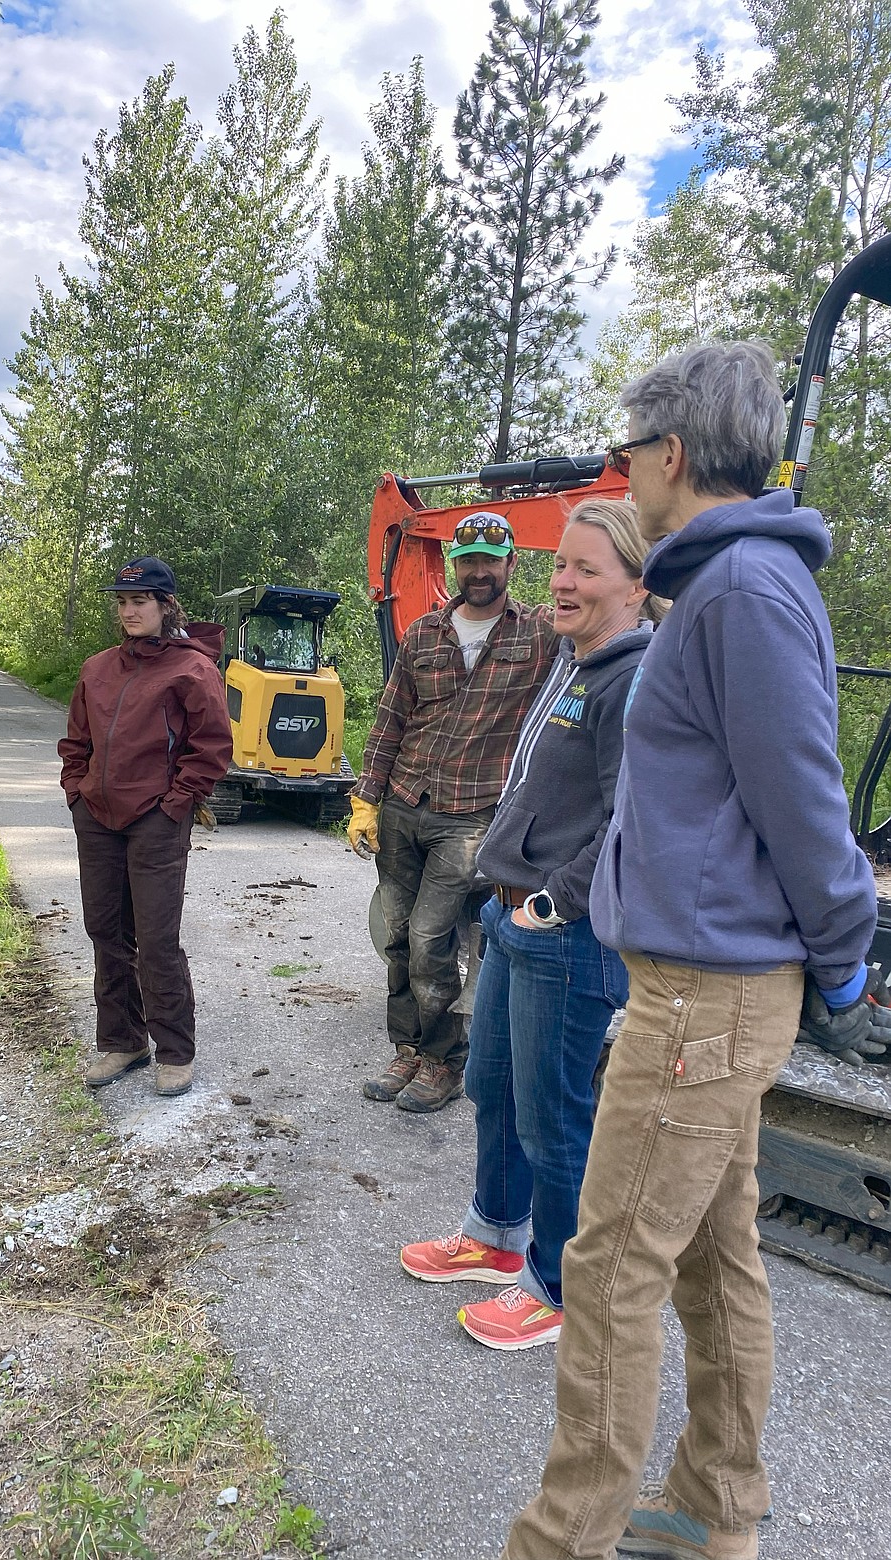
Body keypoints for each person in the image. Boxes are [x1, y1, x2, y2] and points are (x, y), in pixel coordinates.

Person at [502, 341, 891, 1560]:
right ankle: (717, 1512)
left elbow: (807, 805)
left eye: (629, 452)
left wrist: (846, 962)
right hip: (698, 994)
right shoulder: (725, 588)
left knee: (610, 1267)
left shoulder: (742, 595)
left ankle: (562, 1539)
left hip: (706, 1004)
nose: (624, 469)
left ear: (671, 455)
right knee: (716, 1265)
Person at [400, 499, 661, 1350]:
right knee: (493, 1090)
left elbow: (635, 816)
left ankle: (559, 1287)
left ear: (637, 581)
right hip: (512, 914)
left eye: (587, 569)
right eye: (560, 566)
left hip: (564, 933)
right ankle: (494, 1237)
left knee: (554, 1117)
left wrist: (558, 901)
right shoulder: (575, 661)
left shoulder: (632, 677)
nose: (564, 583)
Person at [348, 515, 558, 1113]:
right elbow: (391, 720)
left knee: (430, 938)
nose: (479, 571)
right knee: (393, 934)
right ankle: (407, 1049)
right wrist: (367, 797)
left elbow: (617, 622)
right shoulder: (424, 634)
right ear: (453, 566)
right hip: (404, 803)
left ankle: (445, 1060)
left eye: (491, 559)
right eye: (468, 560)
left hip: (472, 814)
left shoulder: (539, 633)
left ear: (512, 564)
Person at [58, 556, 233, 1099]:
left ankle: (175, 1051)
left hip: (155, 822)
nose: (130, 611)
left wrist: (174, 807)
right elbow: (76, 743)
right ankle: (121, 1040)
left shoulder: (191, 669)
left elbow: (211, 750)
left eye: (140, 601)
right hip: (98, 820)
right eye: (123, 602)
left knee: (157, 940)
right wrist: (77, 793)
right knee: (106, 932)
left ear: (165, 606)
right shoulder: (97, 668)